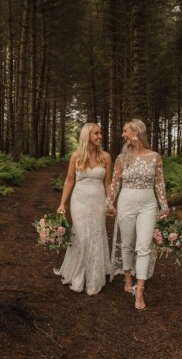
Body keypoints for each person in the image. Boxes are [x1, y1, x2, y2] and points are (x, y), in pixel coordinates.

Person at [107, 119, 169, 310]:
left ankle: (139, 289)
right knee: (127, 244)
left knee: (144, 246)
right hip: (126, 202)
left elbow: (159, 183)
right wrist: (109, 202)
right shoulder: (121, 158)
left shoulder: (155, 157)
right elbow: (115, 183)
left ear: (136, 132)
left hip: (148, 204)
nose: (123, 134)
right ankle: (127, 278)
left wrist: (164, 206)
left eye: (125, 131)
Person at [54, 123, 112, 295]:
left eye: (101, 133)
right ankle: (78, 276)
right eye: (96, 133)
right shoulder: (76, 156)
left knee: (95, 236)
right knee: (82, 236)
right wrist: (62, 203)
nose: (100, 136)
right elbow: (69, 180)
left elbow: (107, 183)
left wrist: (110, 202)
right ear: (87, 135)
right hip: (79, 201)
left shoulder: (106, 157)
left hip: (98, 202)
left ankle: (93, 277)